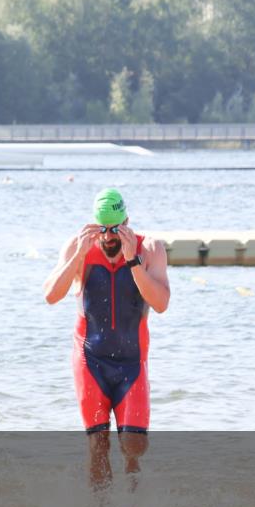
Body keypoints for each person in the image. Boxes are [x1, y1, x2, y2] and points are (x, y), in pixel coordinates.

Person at [42, 188, 170, 491]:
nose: (109, 237)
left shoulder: (149, 248)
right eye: (103, 229)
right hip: (90, 360)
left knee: (134, 446)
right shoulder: (78, 246)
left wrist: (132, 260)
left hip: (132, 361)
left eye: (116, 229)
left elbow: (161, 303)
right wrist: (78, 255)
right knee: (98, 444)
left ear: (127, 222)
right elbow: (51, 295)